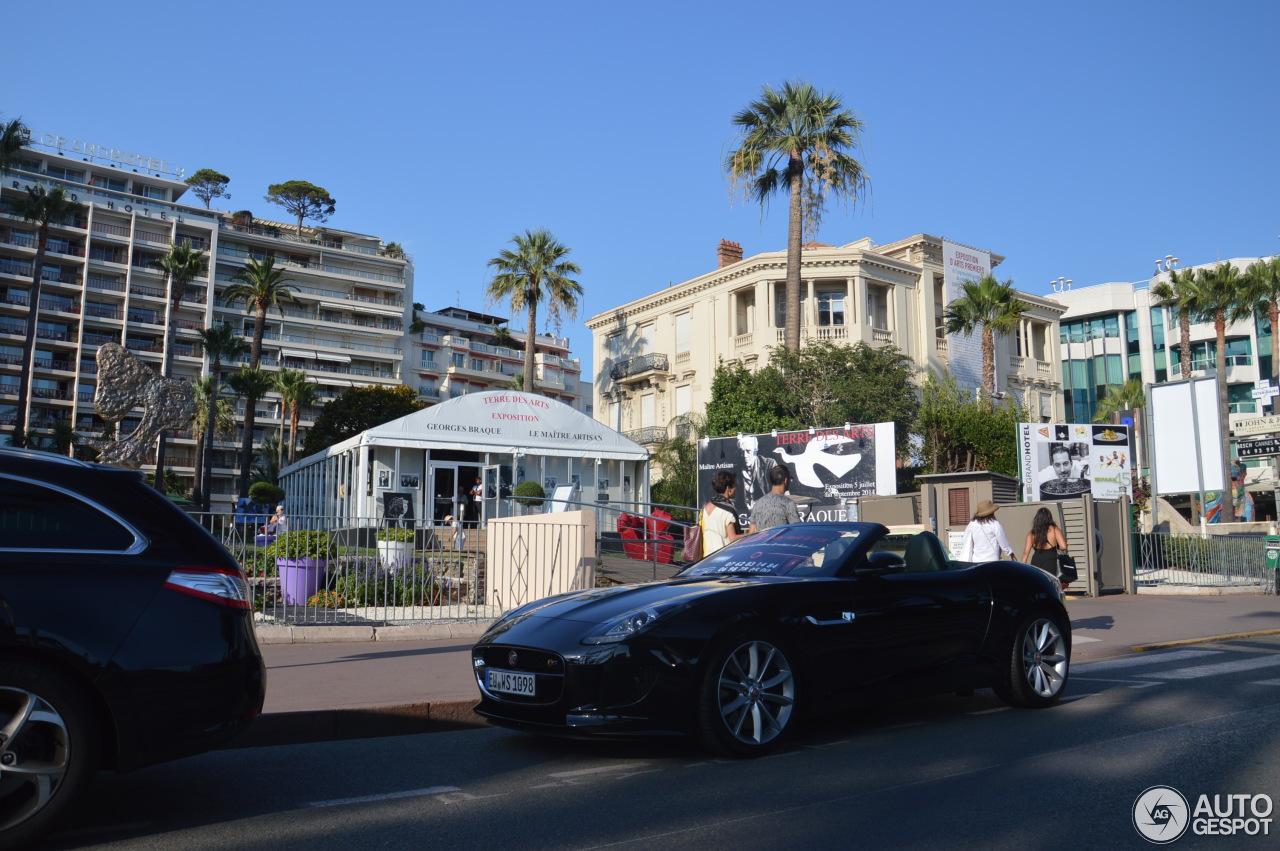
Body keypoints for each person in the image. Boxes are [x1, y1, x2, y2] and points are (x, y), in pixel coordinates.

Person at [1022, 507, 1069, 589]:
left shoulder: (1032, 533)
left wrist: (1021, 567)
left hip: (1036, 561)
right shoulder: (1055, 530)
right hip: (1050, 561)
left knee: (1037, 585)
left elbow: (1026, 553)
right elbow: (1064, 546)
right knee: (1050, 585)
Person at [748, 464, 801, 533]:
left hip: (761, 542)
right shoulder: (788, 504)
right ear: (786, 480)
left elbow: (751, 533)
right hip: (781, 543)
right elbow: (798, 531)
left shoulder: (757, 504)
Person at [701, 470, 744, 555]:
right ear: (729, 489)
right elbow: (733, 538)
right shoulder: (728, 511)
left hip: (707, 556)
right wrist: (751, 534)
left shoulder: (705, 508)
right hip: (723, 556)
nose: (737, 488)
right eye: (735, 486)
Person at [737, 434, 777, 514]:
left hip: (768, 511)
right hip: (745, 515)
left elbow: (779, 492)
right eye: (742, 452)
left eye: (748, 451)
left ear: (756, 450)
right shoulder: (736, 471)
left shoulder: (769, 464)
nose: (745, 456)